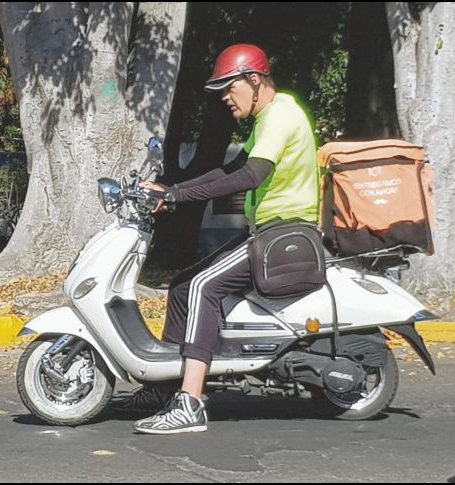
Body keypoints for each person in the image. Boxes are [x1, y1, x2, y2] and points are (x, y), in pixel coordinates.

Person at [126, 43, 319, 434]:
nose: (226, 98)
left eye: (230, 88)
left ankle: (191, 403)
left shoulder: (281, 114)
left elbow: (248, 178)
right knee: (182, 286)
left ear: (254, 80)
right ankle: (167, 388)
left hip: (284, 236)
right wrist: (169, 190)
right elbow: (225, 171)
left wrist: (177, 196)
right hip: (267, 235)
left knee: (202, 286)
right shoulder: (266, 120)